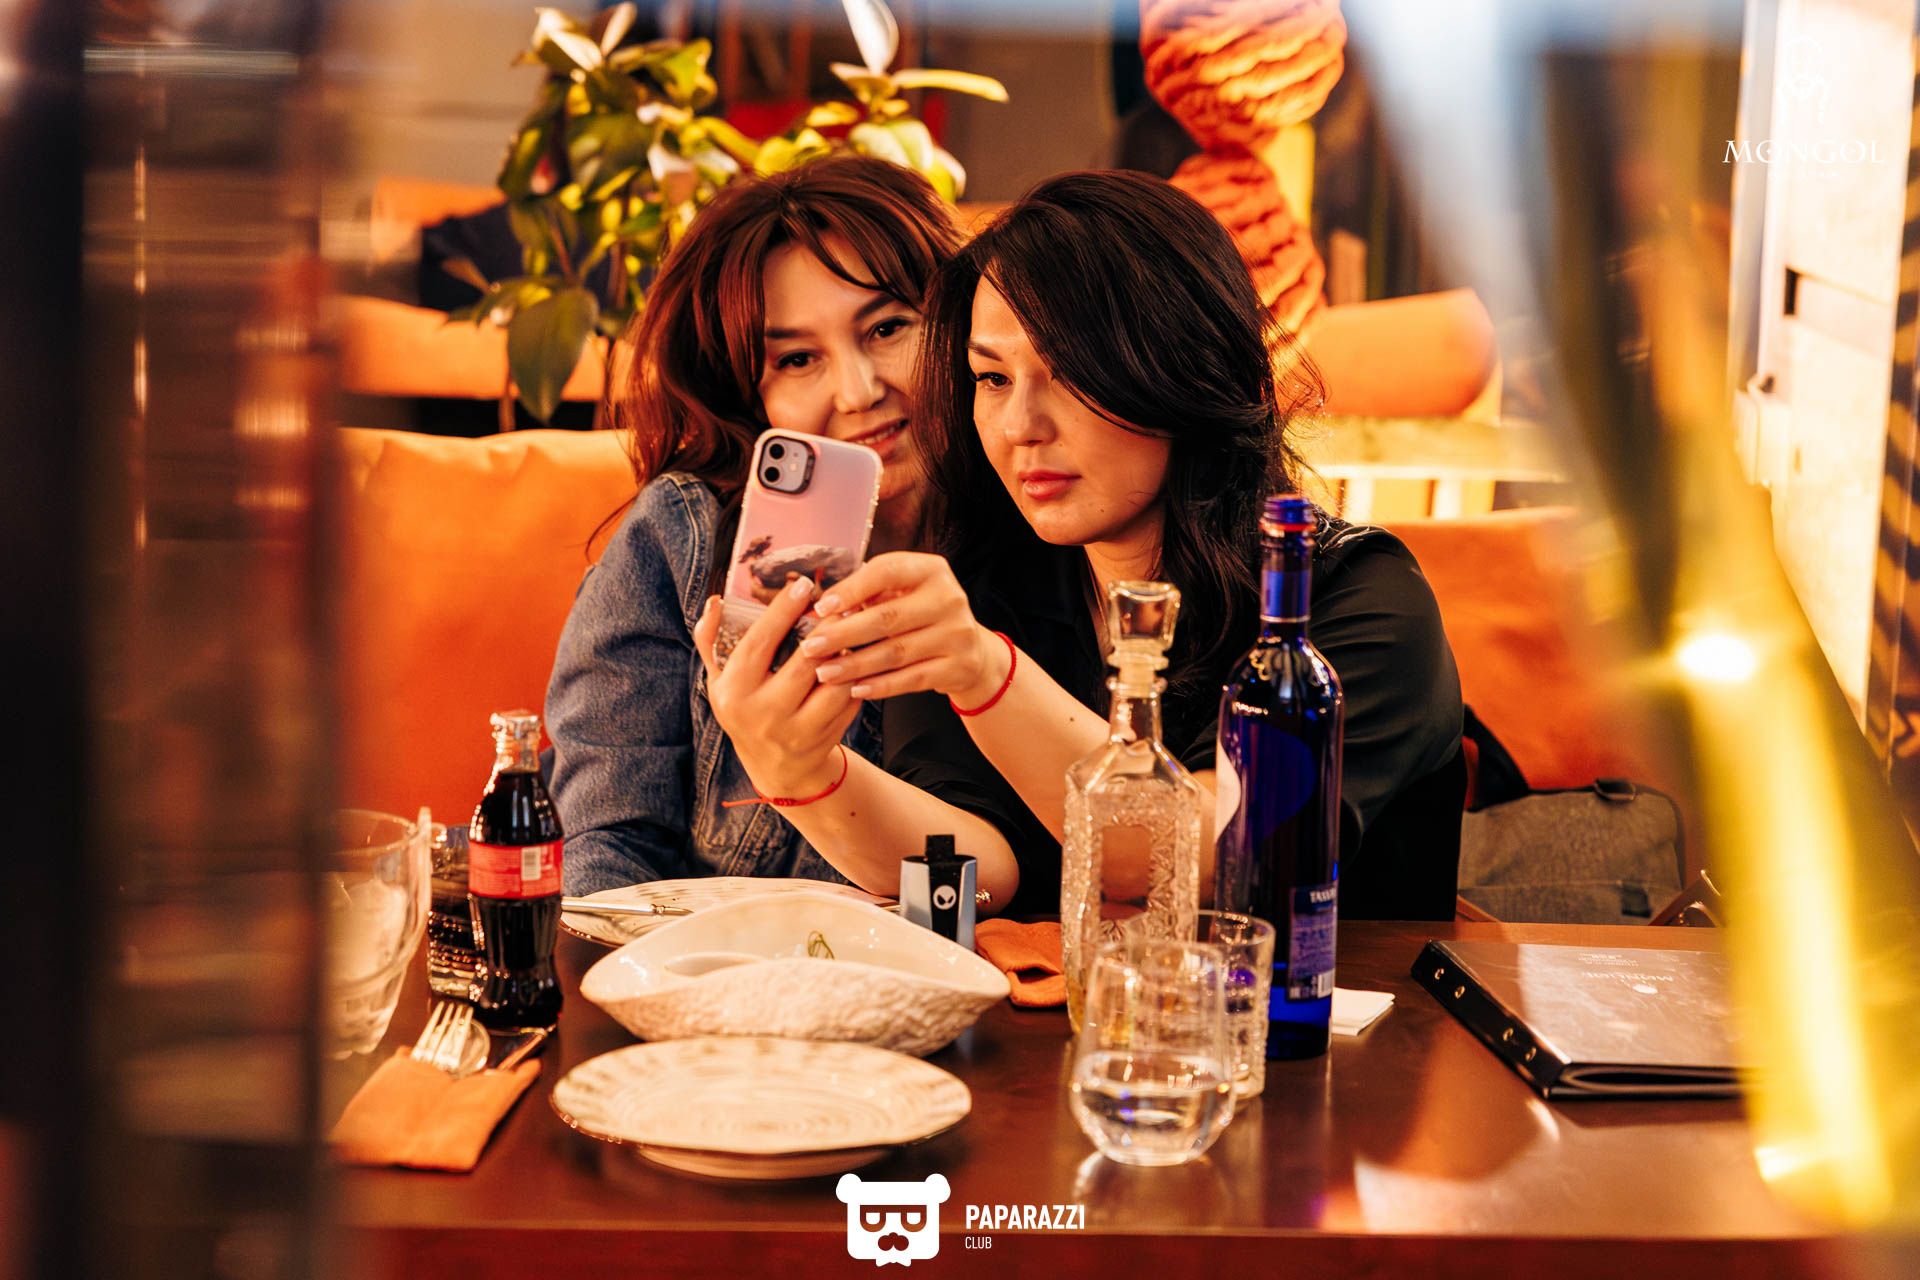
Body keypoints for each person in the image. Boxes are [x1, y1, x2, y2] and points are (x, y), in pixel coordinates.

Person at [695, 169, 1465, 920]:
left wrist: (986, 673)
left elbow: (1205, 859)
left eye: (1065, 372)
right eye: (991, 378)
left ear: (1186, 368)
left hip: (1340, 1009)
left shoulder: (1359, 600)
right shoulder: (992, 582)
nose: (1018, 426)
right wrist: (803, 775)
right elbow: (976, 873)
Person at [546, 155, 962, 894]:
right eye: (797, 359)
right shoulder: (680, 538)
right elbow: (605, 852)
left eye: (888, 327)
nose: (858, 391)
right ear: (747, 392)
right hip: (715, 955)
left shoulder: (1043, 522)